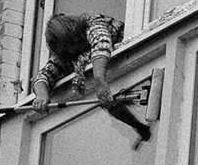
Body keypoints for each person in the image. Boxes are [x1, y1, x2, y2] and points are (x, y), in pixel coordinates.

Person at [30, 12, 151, 143]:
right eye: (66, 49)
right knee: (107, 101)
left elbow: (101, 43)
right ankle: (138, 126)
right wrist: (41, 95)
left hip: (141, 63)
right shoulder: (66, 55)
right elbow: (43, 75)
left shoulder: (93, 23)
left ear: (73, 33)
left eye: (70, 45)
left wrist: (99, 79)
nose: (71, 51)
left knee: (106, 94)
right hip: (119, 83)